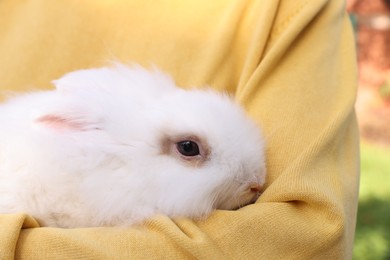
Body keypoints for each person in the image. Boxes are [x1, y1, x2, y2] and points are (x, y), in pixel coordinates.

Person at [0, 0, 359, 258]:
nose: (255, 183)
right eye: (189, 150)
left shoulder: (295, 11)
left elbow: (308, 237)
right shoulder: (93, 168)